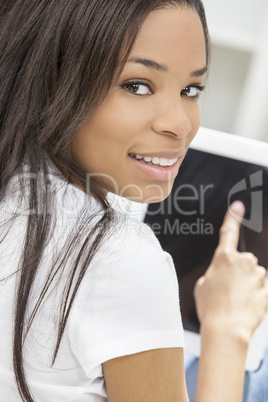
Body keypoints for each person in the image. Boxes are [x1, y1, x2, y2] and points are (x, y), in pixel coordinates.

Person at [0, 1, 267, 401]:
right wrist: (227, 330)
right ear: (52, 80)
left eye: (190, 89)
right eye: (136, 86)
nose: (179, 124)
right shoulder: (120, 260)